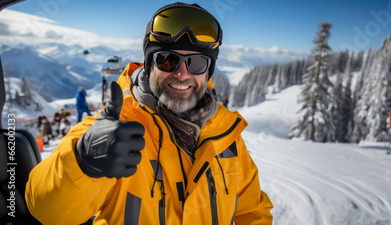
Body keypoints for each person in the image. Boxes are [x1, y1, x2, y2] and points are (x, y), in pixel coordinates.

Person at [26, 3, 273, 224]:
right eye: (167, 60)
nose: (182, 74)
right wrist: (83, 163)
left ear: (208, 71)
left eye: (197, 63)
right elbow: (46, 210)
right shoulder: (115, 128)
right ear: (148, 63)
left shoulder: (227, 136)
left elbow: (253, 212)